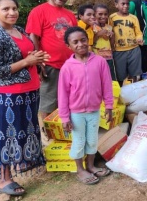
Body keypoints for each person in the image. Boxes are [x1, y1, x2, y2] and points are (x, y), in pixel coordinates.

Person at [0, 0, 50, 196]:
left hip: (30, 89)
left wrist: (36, 57)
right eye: (5, 9)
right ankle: (4, 180)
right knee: (9, 135)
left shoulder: (19, 30)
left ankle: (22, 163)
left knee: (26, 129)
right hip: (11, 94)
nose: (12, 12)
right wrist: (26, 62)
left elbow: (25, 54)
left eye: (14, 8)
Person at [58, 27, 113, 185]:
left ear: (88, 40)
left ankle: (90, 165)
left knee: (92, 140)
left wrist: (108, 106)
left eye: (83, 40)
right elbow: (63, 94)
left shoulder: (100, 62)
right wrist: (64, 117)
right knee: (79, 140)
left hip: (94, 110)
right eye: (75, 42)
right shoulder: (67, 67)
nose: (80, 44)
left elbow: (107, 85)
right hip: (76, 114)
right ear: (69, 46)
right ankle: (80, 169)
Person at [26, 0, 77, 124]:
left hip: (70, 65)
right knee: (49, 101)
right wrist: (39, 61)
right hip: (50, 65)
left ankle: (65, 129)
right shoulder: (38, 11)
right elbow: (33, 37)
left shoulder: (69, 15)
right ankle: (48, 132)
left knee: (69, 99)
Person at [109, 0, 143, 86]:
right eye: (122, 3)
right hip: (118, 51)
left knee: (135, 74)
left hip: (134, 50)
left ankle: (134, 91)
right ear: (116, 5)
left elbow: (138, 32)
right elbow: (110, 32)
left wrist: (139, 39)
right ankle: (121, 92)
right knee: (120, 75)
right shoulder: (112, 18)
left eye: (127, 3)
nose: (126, 6)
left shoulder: (133, 18)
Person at [93, 4, 116, 80]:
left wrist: (112, 36)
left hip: (108, 57)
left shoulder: (109, 27)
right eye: (100, 14)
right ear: (94, 15)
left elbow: (111, 43)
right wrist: (98, 34)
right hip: (96, 57)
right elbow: (91, 42)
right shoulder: (92, 27)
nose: (103, 16)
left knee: (109, 77)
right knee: (98, 77)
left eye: (105, 14)